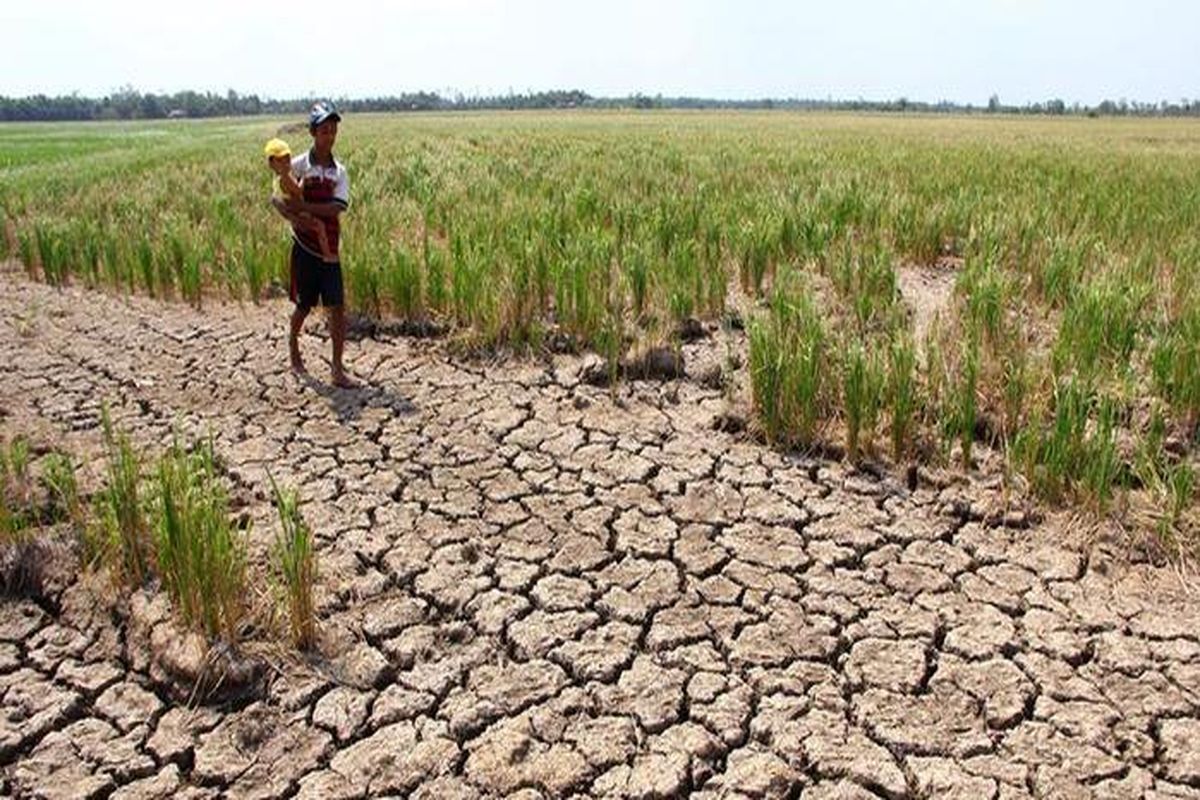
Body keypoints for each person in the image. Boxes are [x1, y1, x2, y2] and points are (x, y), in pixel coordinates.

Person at [271, 102, 355, 388]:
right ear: (312, 132)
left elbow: (336, 208)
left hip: (330, 250)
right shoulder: (296, 165)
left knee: (337, 307)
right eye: (323, 130)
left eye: (333, 130)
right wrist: (294, 217)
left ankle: (337, 369)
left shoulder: (339, 171)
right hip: (305, 248)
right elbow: (276, 197)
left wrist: (304, 205)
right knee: (304, 305)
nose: (329, 135)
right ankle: (293, 348)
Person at [263, 138, 336, 263]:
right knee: (320, 227)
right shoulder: (285, 178)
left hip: (295, 210)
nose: (285, 163)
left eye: (287, 159)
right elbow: (298, 191)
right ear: (271, 164)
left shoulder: (278, 177)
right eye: (280, 160)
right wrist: (304, 179)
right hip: (301, 212)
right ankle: (327, 254)